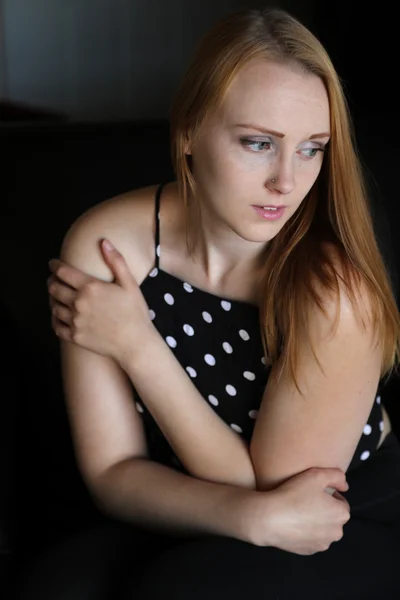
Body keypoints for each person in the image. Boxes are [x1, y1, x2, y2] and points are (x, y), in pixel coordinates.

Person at [24, 6, 400, 599]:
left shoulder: (335, 290)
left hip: (341, 517)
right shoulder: (107, 245)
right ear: (190, 131)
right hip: (191, 502)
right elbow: (111, 471)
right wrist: (243, 517)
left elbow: (274, 497)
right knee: (54, 586)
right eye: (259, 143)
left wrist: (137, 345)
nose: (287, 181)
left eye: (312, 149)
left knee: (185, 587)